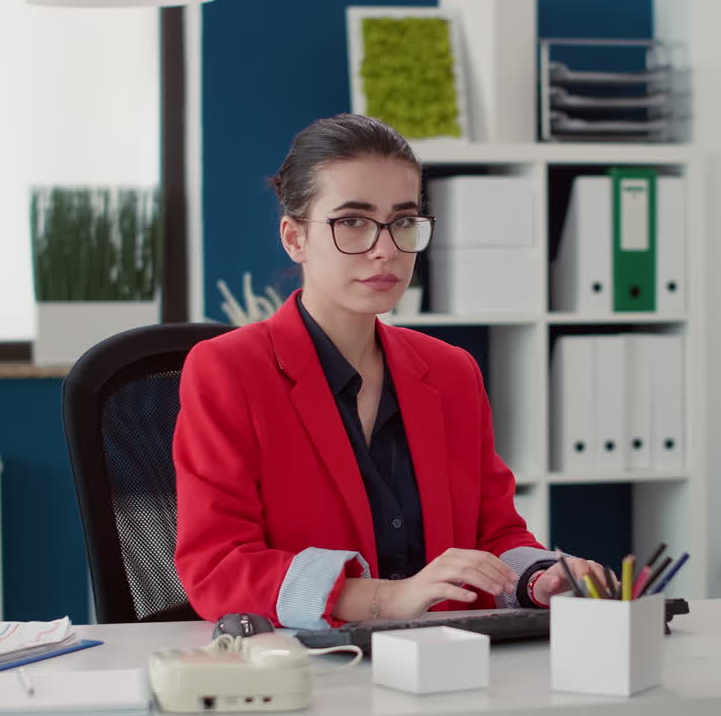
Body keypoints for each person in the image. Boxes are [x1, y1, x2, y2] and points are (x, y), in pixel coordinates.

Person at [173, 114, 606, 629]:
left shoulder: (451, 372)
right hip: (314, 663)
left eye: (403, 222)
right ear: (294, 238)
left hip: (446, 657)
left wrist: (538, 577)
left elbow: (493, 535)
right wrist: (389, 598)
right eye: (352, 221)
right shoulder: (228, 370)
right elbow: (219, 567)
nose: (386, 249)